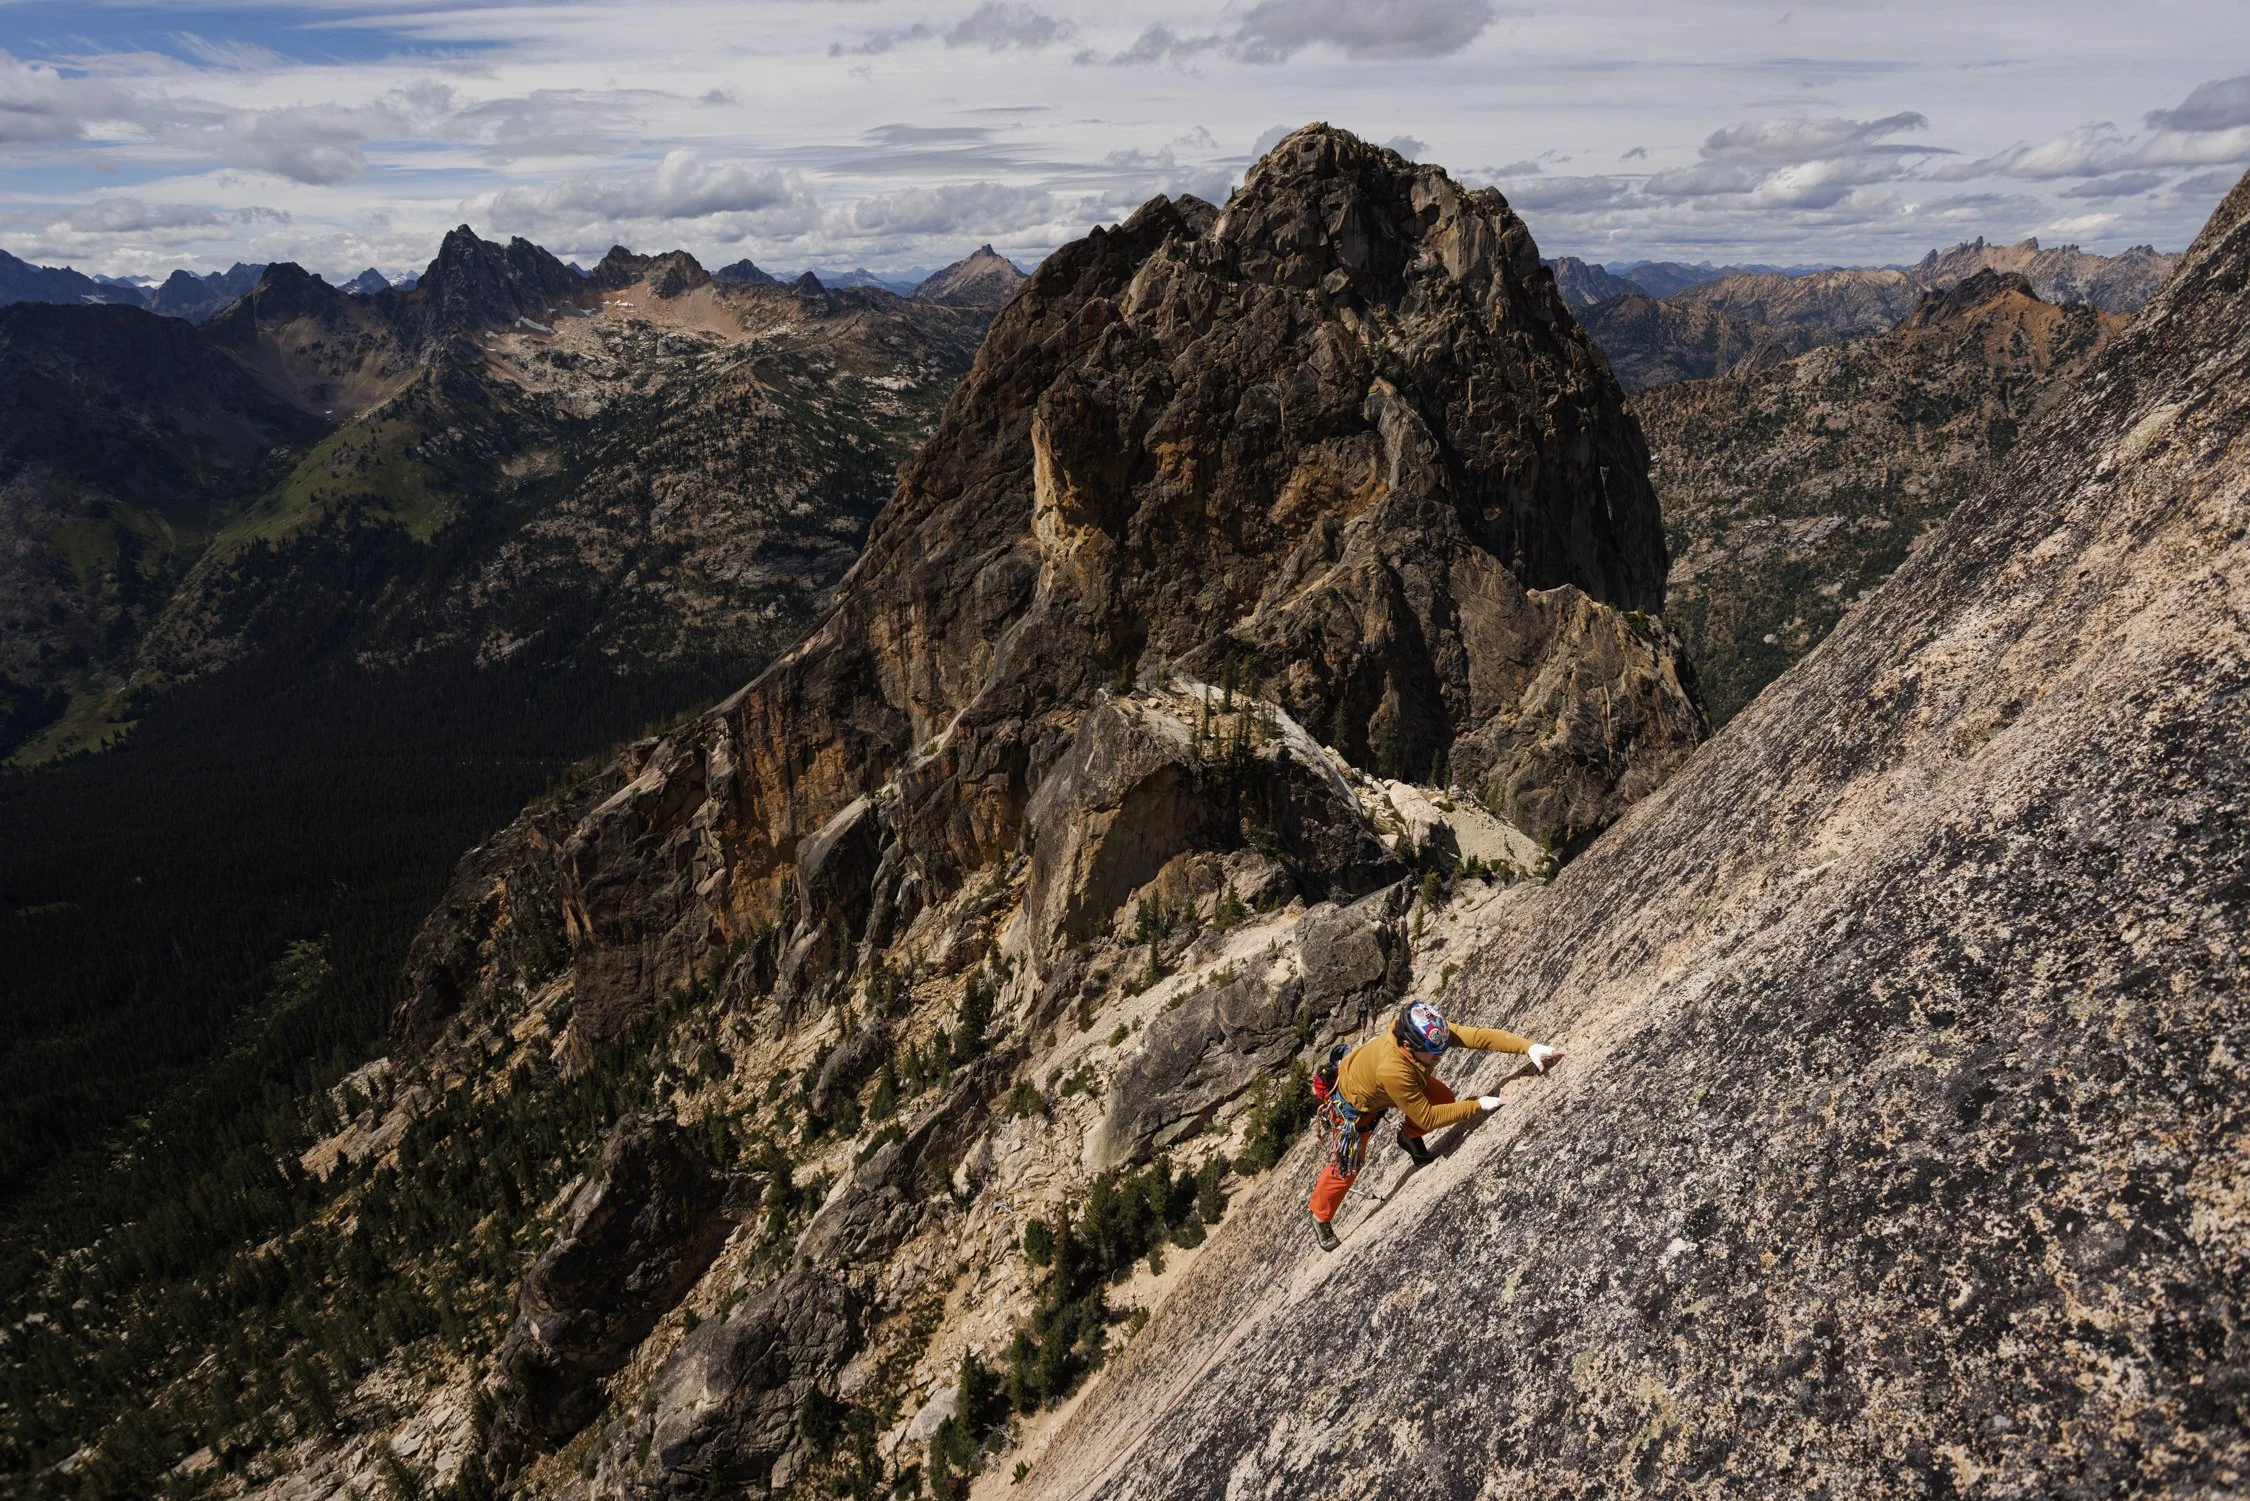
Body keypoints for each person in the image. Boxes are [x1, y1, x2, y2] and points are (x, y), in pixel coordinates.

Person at [1307, 999, 1563, 1251]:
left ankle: (1409, 1137)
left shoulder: (1427, 1033)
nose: (1440, 1056)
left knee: (1444, 1099)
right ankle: (1320, 1215)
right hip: (1355, 1106)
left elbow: (1479, 1037)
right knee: (1347, 1166)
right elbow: (1427, 1117)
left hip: (1390, 1083)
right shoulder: (1394, 1069)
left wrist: (1529, 1047)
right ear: (1408, 1045)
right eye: (1434, 1052)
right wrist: (1476, 1105)